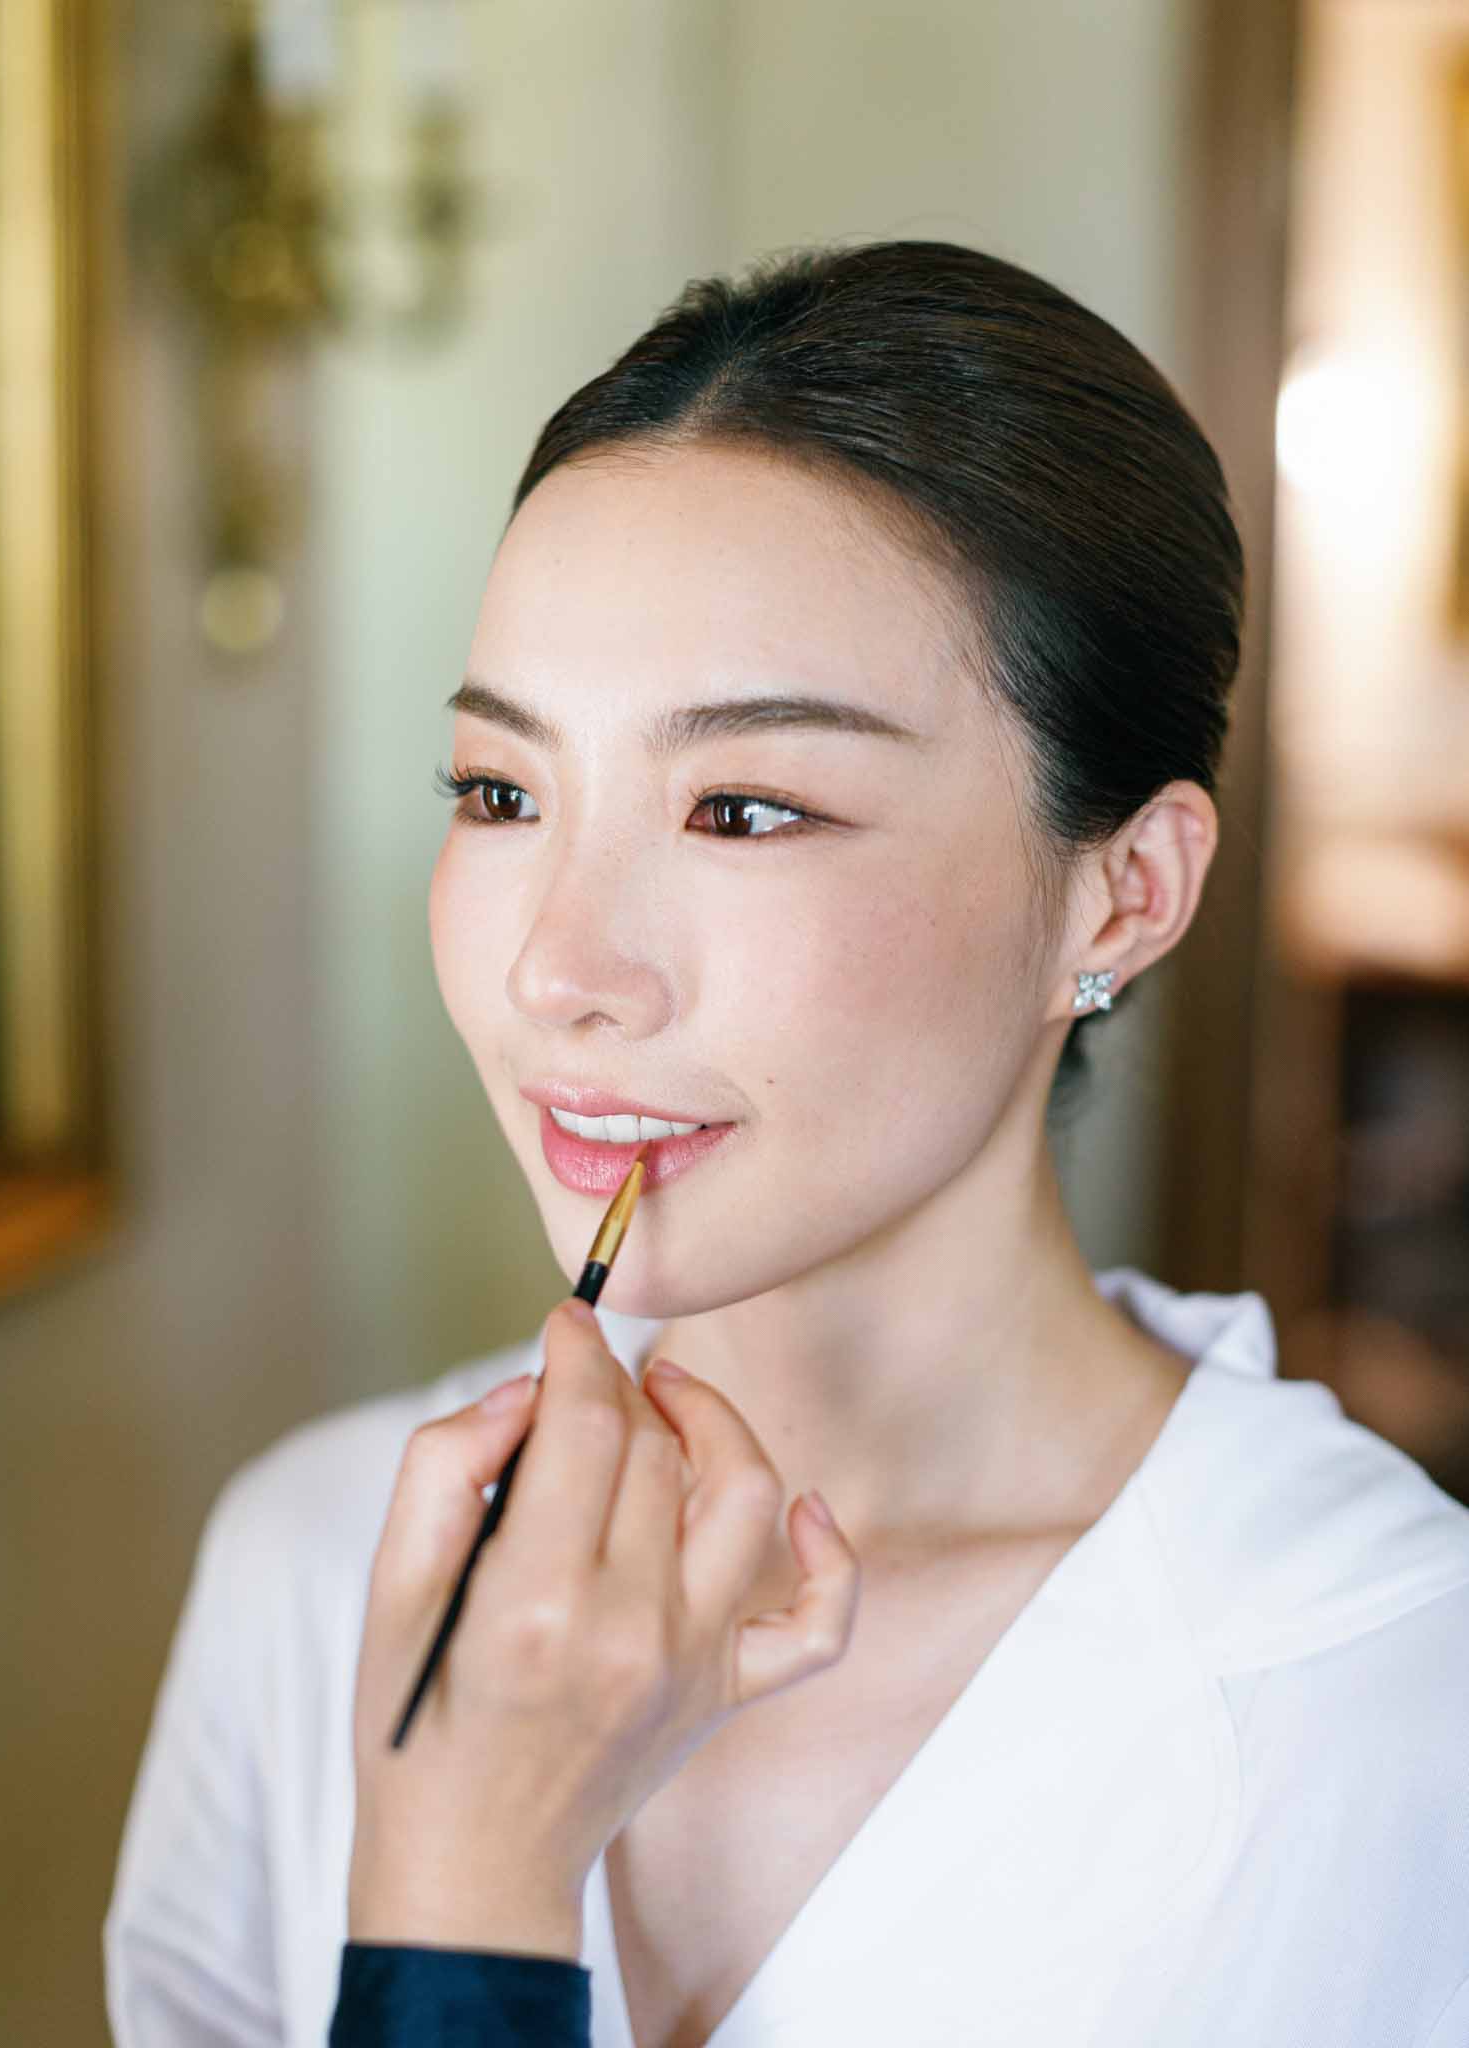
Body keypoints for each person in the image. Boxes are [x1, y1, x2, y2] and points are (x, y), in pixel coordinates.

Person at [104, 240, 1469, 2048]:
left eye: (741, 809)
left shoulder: (1381, 1696)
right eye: (501, 792)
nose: (555, 970)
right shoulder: (316, 1559)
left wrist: (465, 1912)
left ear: (1124, 893)